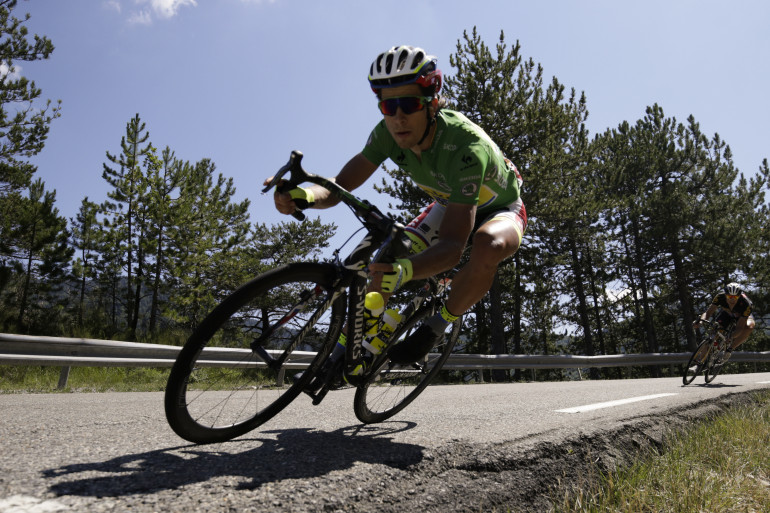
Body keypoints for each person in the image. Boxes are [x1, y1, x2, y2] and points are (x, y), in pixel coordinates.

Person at [266, 45, 526, 366]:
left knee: (487, 245)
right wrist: (303, 196)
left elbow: (453, 247)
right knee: (385, 259)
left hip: (500, 209)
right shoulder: (387, 133)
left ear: (431, 103)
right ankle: (352, 347)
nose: (399, 117)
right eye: (389, 106)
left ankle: (436, 326)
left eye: (409, 104)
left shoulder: (466, 147)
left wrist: (407, 271)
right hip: (449, 202)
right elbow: (340, 185)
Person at [692, 282, 755, 363]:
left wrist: (731, 337)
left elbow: (740, 327)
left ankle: (730, 349)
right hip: (727, 314)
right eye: (729, 296)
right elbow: (708, 313)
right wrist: (700, 322)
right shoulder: (720, 297)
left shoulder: (747, 304)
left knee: (749, 327)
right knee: (712, 335)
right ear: (725, 294)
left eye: (735, 297)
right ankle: (698, 363)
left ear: (739, 296)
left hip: (742, 317)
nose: (732, 299)